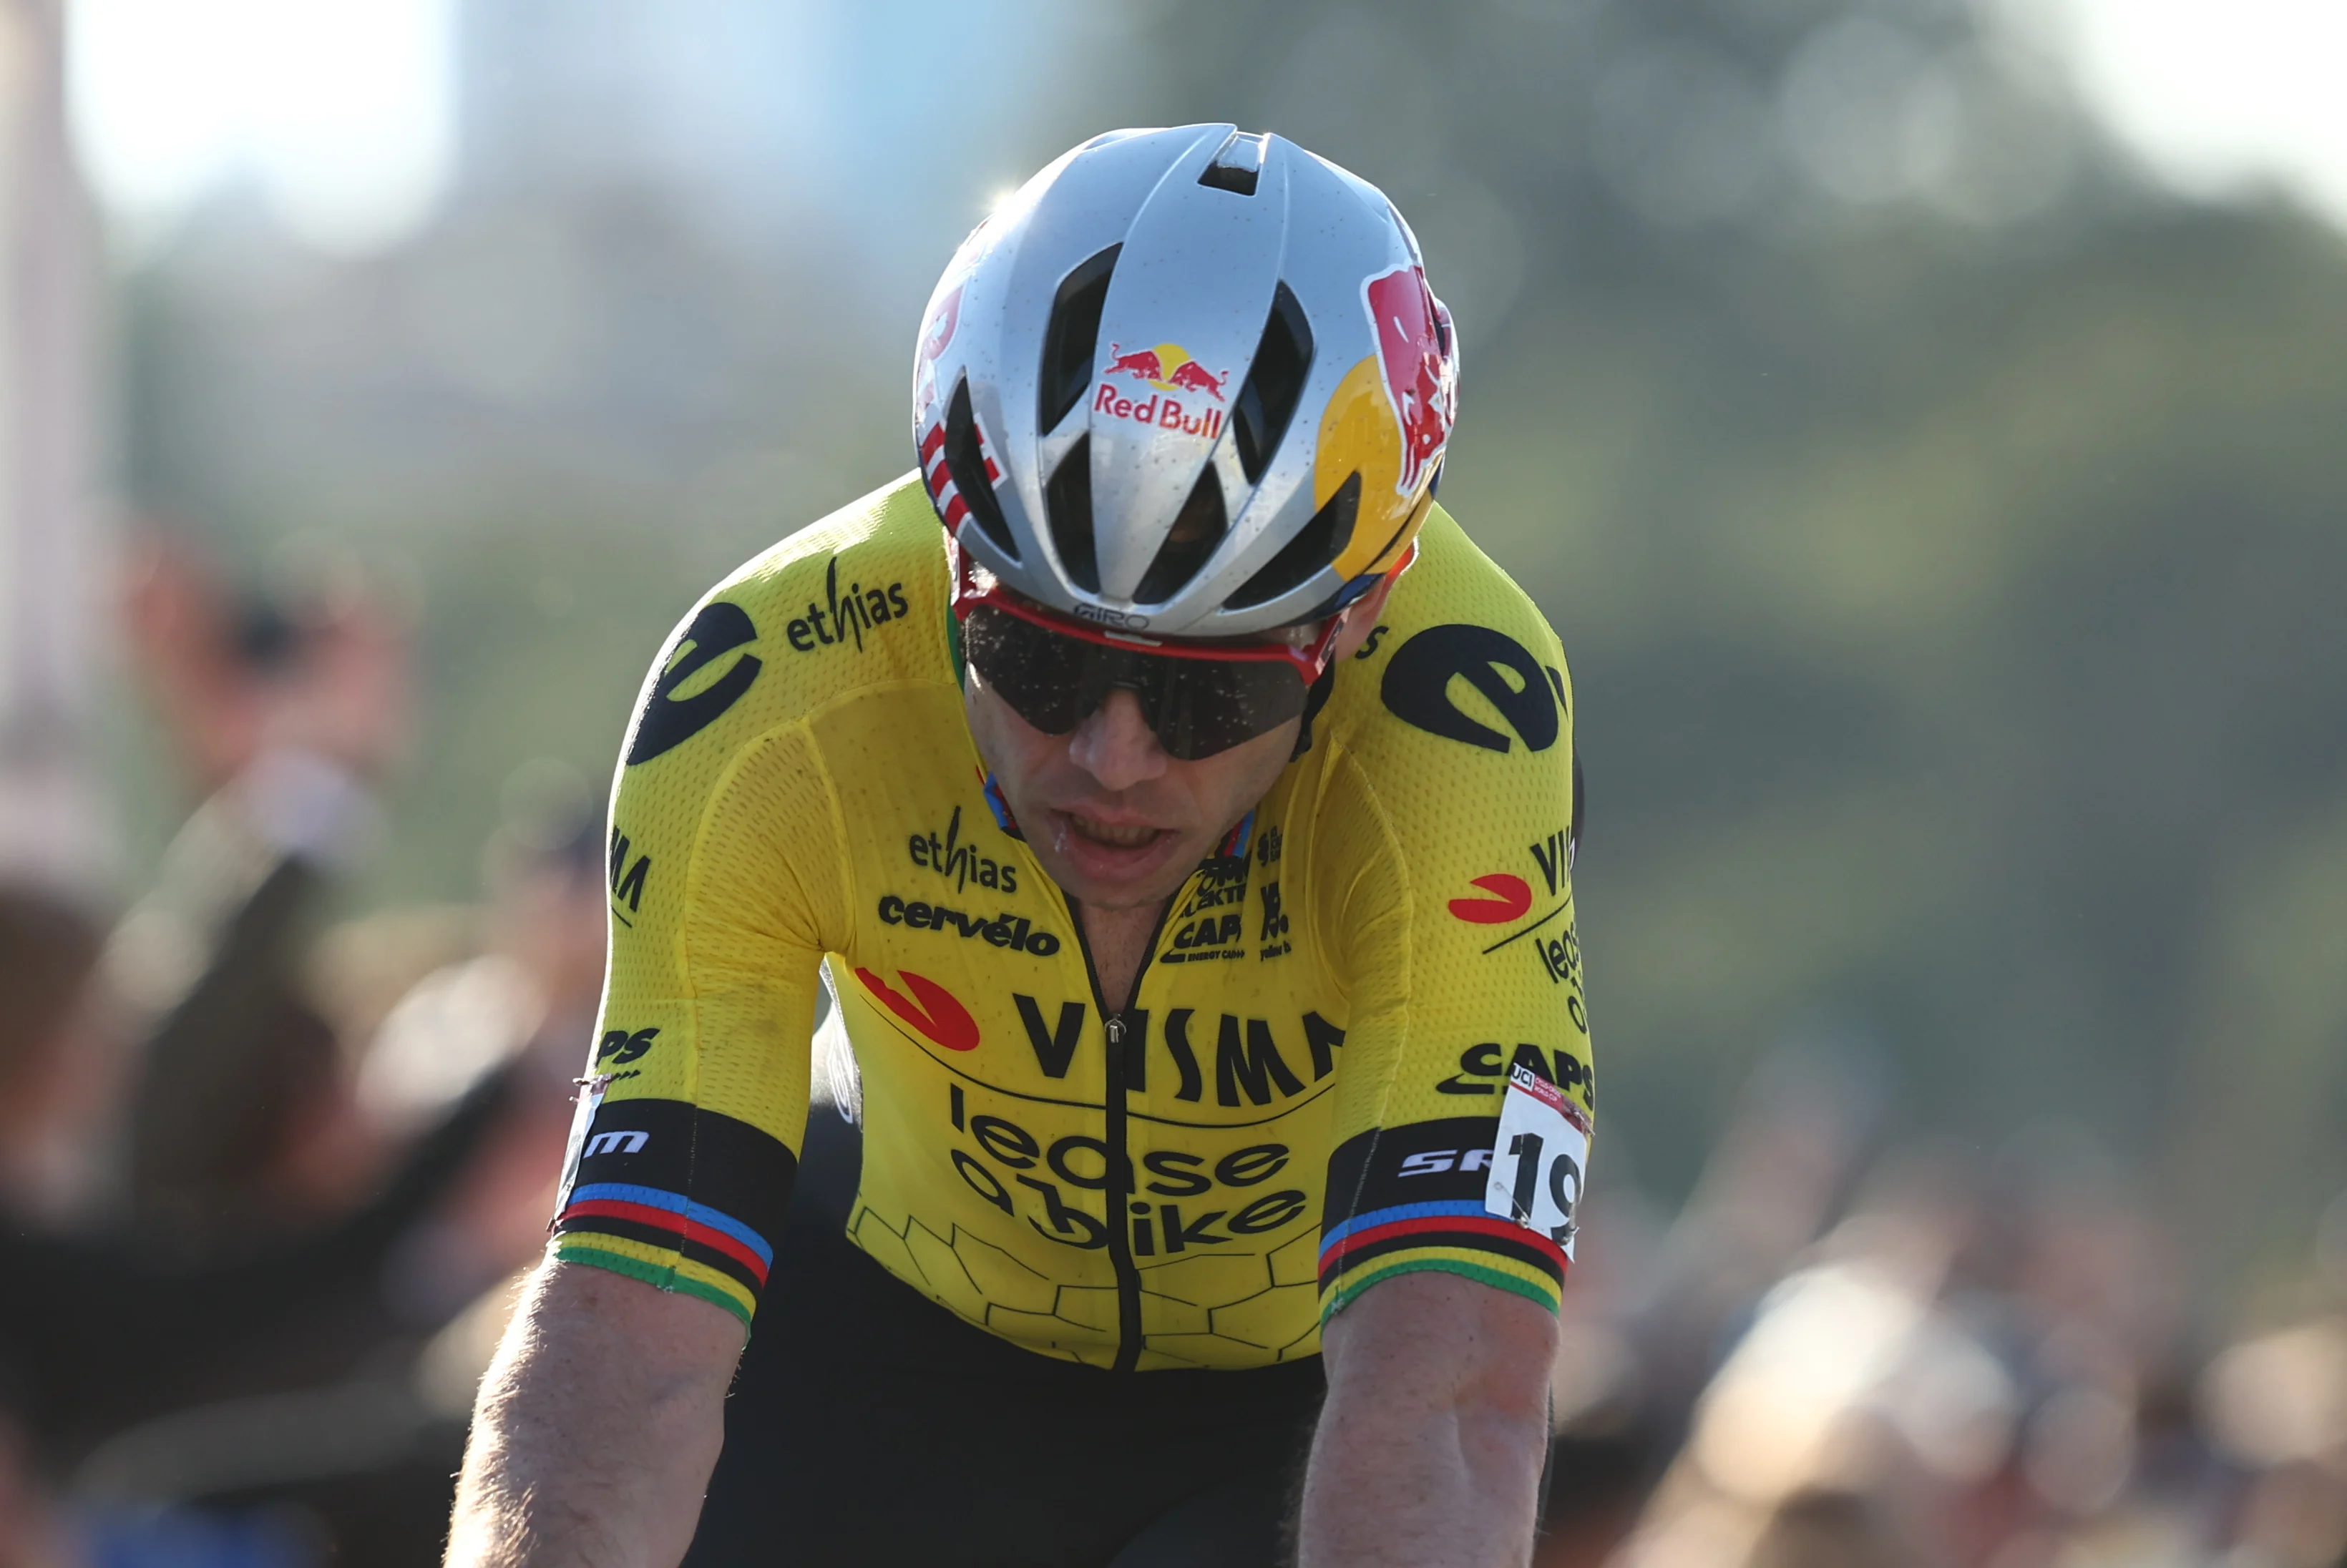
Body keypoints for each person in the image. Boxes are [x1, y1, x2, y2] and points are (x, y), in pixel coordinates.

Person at [449, 124, 1593, 1568]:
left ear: (1354, 616)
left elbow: (1446, 1387)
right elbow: (623, 1339)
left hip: (1286, 1411)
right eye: (1033, 662)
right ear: (947, 554)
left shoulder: (1458, 720)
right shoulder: (769, 690)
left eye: (1204, 690)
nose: (1112, 756)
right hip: (876, 1361)